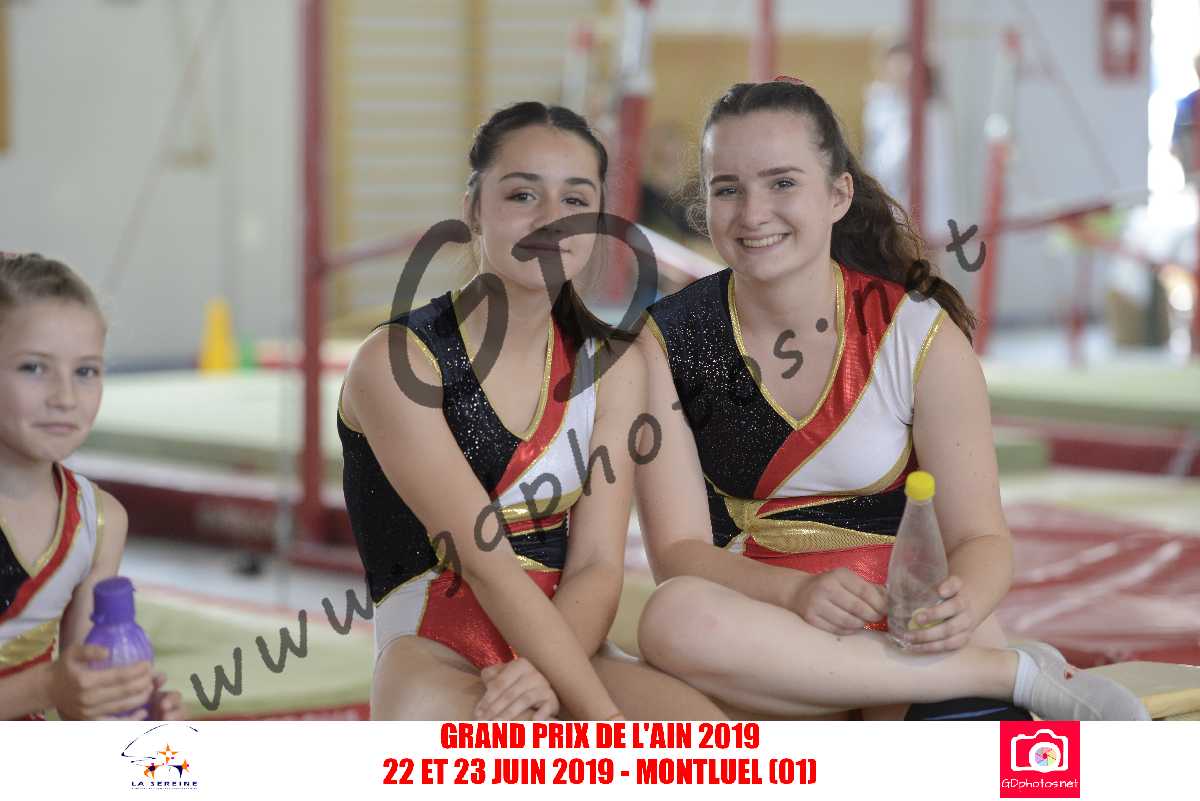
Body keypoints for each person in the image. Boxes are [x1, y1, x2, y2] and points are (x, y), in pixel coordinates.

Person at [632, 79, 1149, 721]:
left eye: (782, 182)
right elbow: (679, 553)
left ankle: (951, 677)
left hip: (904, 624)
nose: (753, 213)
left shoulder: (915, 333)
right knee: (673, 617)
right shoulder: (667, 340)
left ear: (839, 194)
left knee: (958, 667)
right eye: (727, 189)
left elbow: (982, 537)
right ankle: (1007, 673)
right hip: (762, 627)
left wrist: (961, 602)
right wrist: (794, 595)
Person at [338, 102, 723, 721]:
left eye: (575, 200)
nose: (552, 220)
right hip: (434, 647)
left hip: (568, 642)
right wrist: (604, 722)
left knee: (711, 739)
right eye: (523, 195)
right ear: (473, 209)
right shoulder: (397, 362)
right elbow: (483, 562)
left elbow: (597, 565)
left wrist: (547, 678)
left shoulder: (615, 366)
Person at [0, 253, 183, 721]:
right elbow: (55, 686)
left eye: (85, 371)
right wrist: (47, 685)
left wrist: (126, 712)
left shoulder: (99, 522)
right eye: (34, 368)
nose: (65, 397)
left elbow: (81, 695)